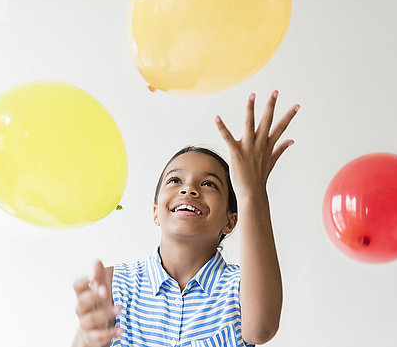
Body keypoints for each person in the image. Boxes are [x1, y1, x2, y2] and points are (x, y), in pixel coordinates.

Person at [71, 91, 300, 346]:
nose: (188, 189)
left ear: (230, 220)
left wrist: (251, 190)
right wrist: (87, 337)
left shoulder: (240, 289)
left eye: (209, 184)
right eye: (175, 180)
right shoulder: (113, 284)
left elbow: (262, 329)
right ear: (156, 211)